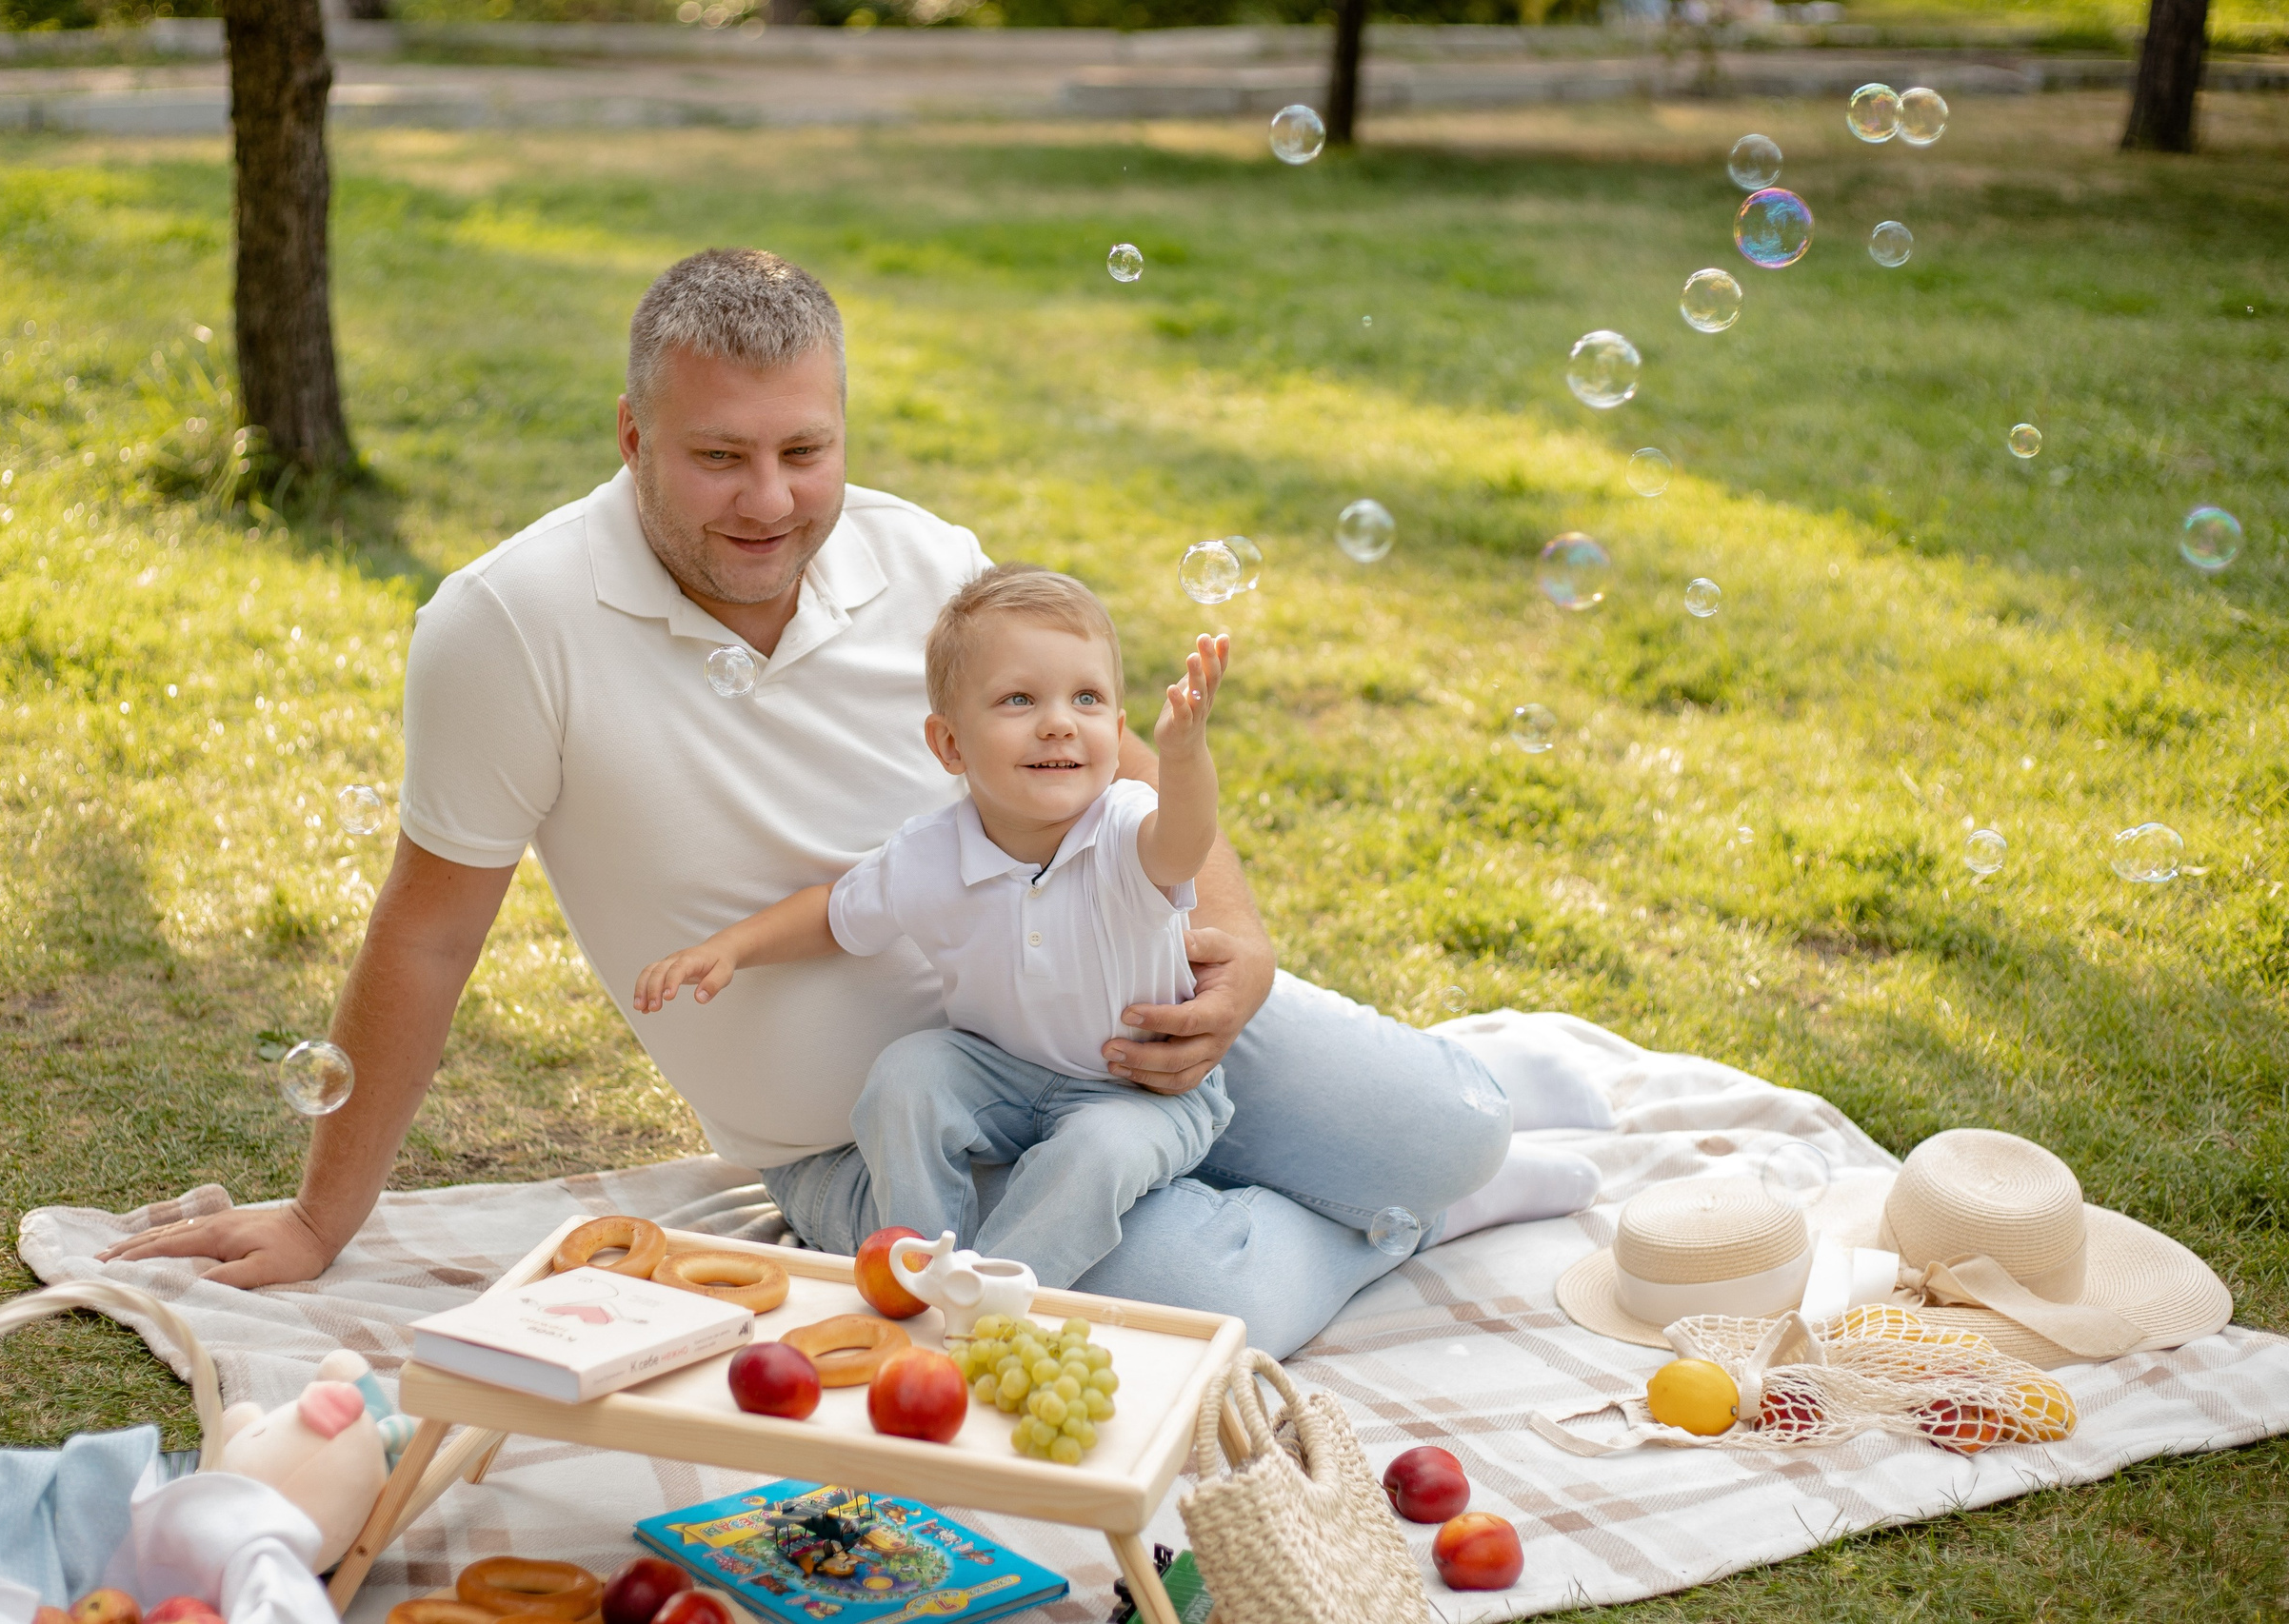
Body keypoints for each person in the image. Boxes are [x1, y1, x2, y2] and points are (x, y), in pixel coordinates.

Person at [102, 248, 1608, 1357]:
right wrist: (320, 1220)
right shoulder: (508, 626)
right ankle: (1366, 1227)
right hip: (878, 1144)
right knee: (1189, 1306)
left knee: (1443, 1139)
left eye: (804, 450)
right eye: (718, 457)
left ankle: (1416, 1160)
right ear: (633, 438)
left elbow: (1109, 757)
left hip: (1110, 1015)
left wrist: (1239, 940)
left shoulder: (923, 554)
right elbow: (425, 940)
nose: (770, 500)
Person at [635, 565, 1238, 1286]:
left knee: (1099, 1153)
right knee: (908, 1074)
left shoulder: (1128, 826)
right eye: (1019, 698)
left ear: (1113, 731)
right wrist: (732, 946)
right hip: (1003, 1072)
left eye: (1086, 698)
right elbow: (833, 914)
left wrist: (1182, 755)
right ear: (949, 745)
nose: (1057, 720)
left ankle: (988, 1298)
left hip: (1140, 1088)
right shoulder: (931, 854)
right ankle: (919, 1260)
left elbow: (1185, 842)